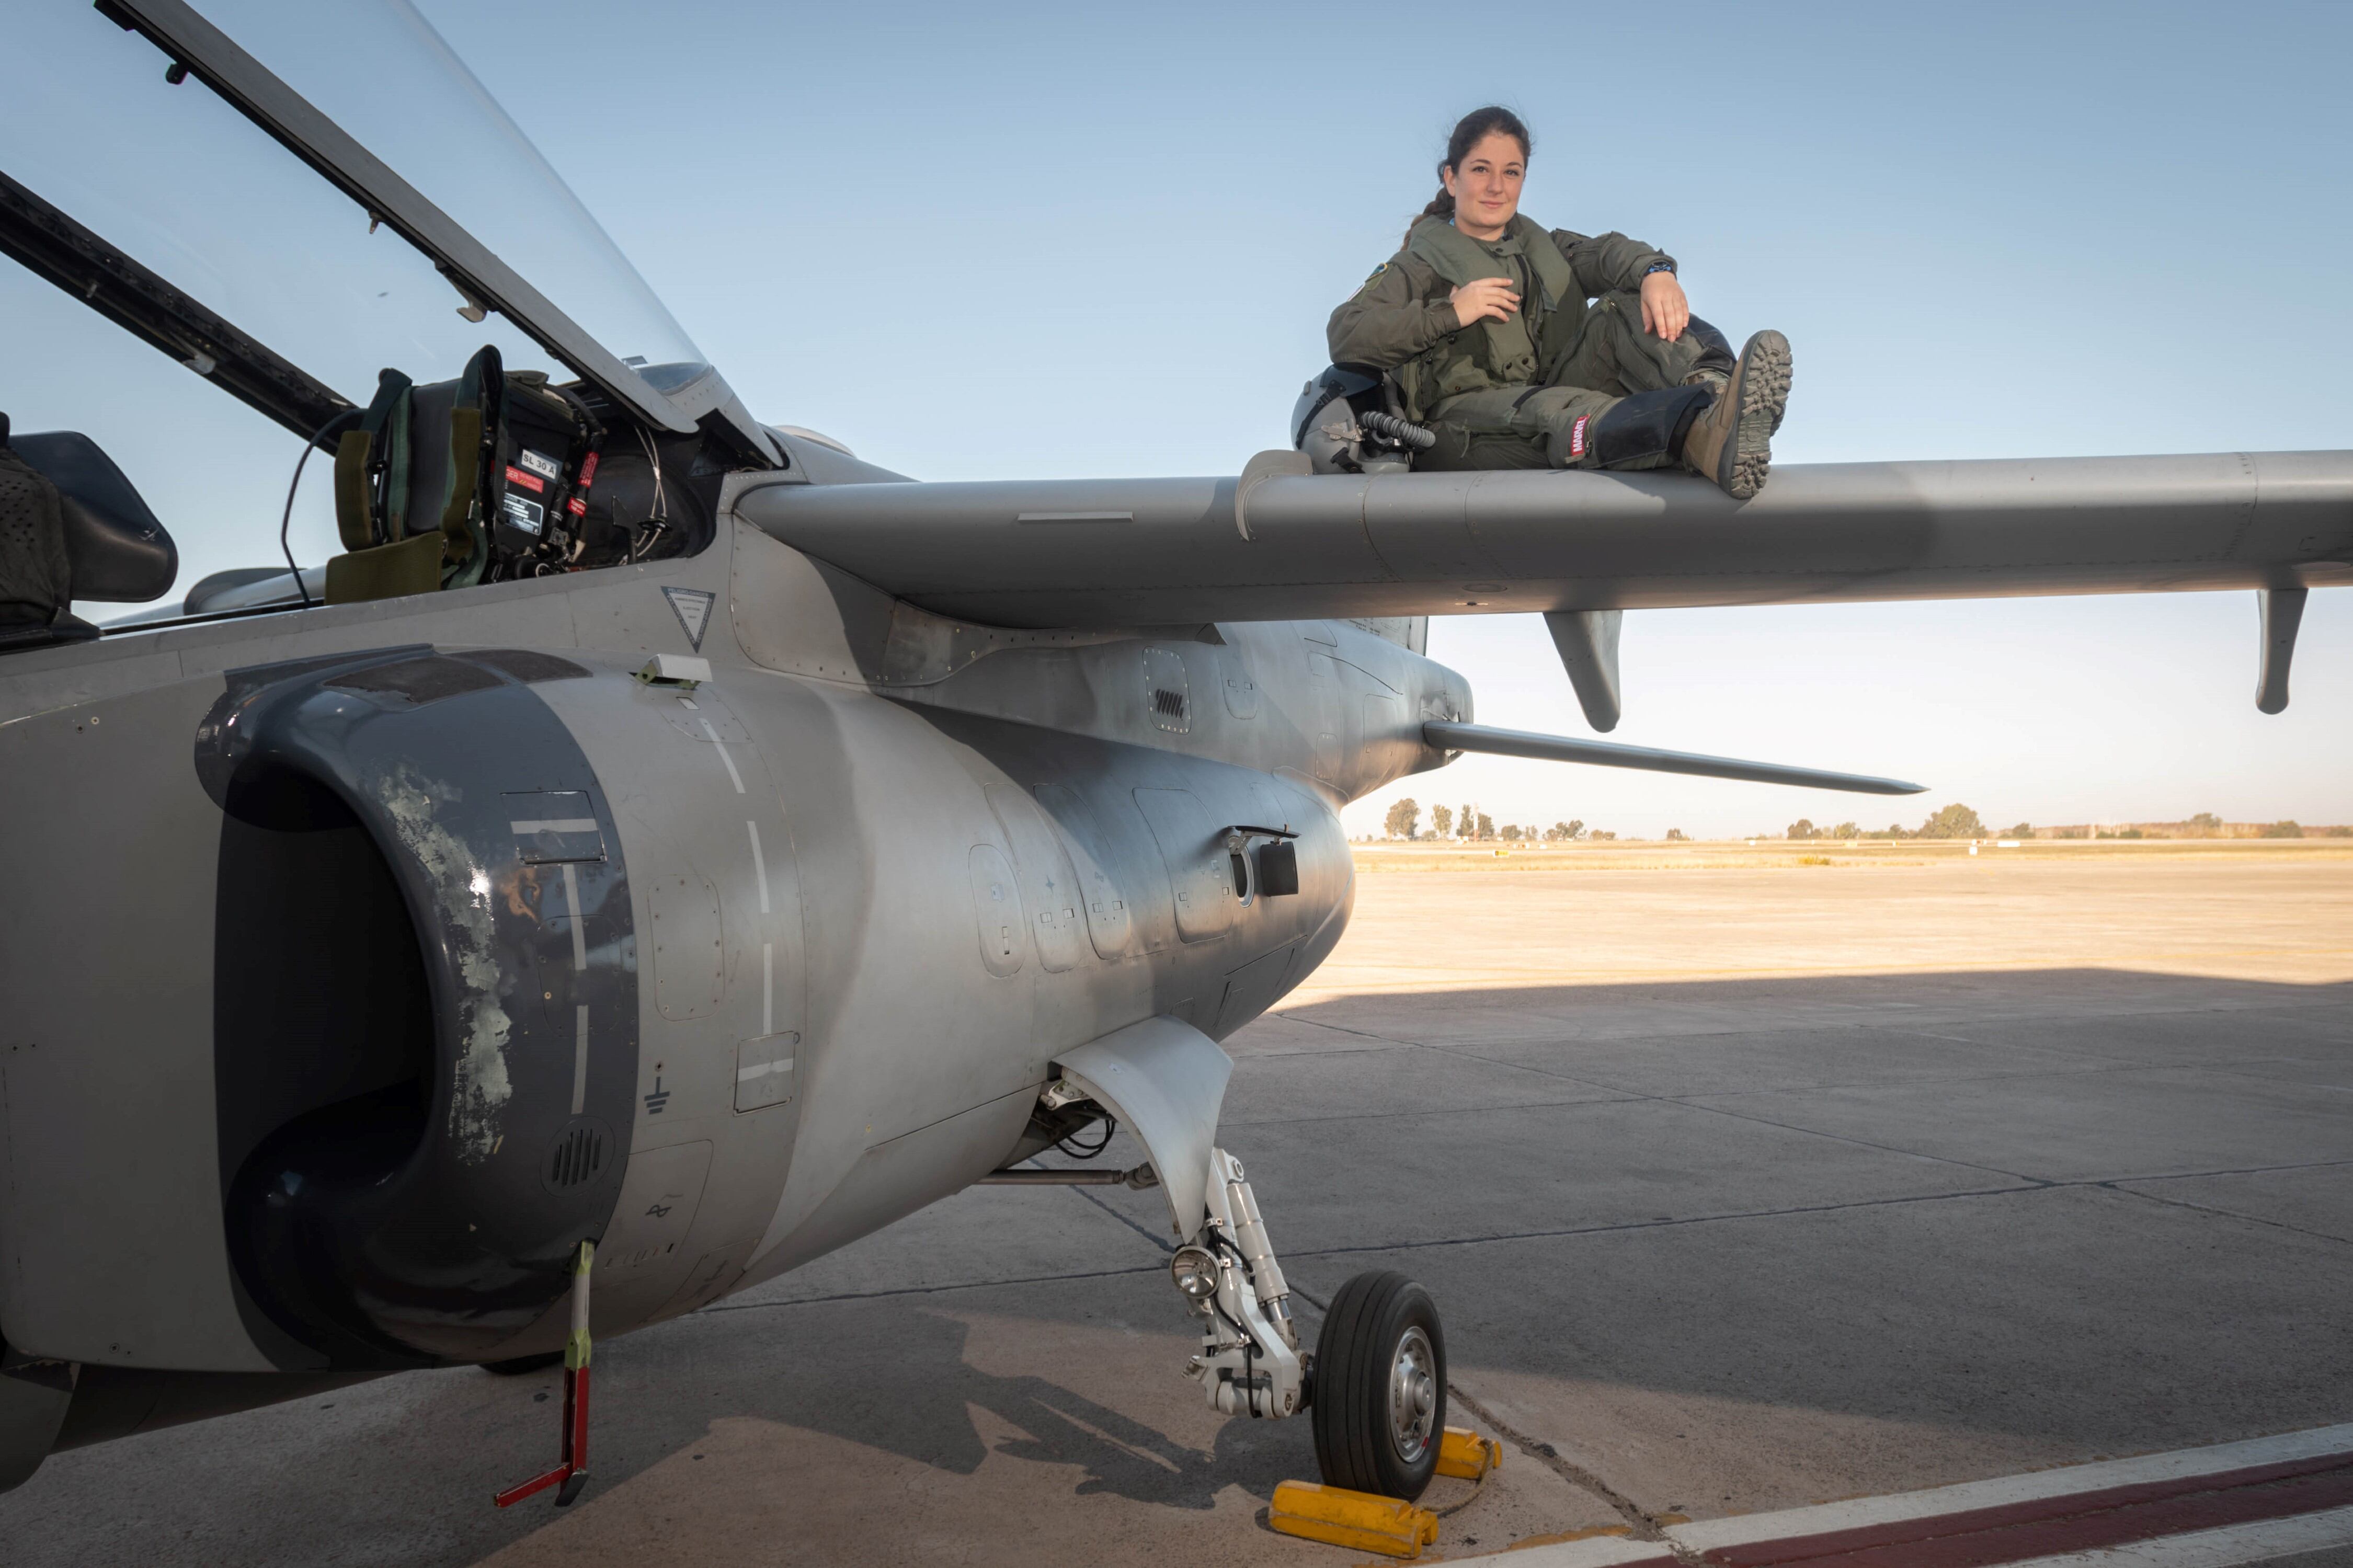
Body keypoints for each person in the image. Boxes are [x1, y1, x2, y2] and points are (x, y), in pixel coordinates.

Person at [1328, 106, 1791, 499]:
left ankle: (1720, 402)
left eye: (1511, 173)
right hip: (1458, 425)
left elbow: (1608, 254)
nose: (1496, 186)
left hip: (1551, 387)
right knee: (1562, 409)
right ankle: (1698, 438)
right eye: (1480, 169)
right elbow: (1346, 333)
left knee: (1623, 306)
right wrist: (1452, 312)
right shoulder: (1418, 265)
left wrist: (1657, 272)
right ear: (1452, 178)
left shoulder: (1543, 248)